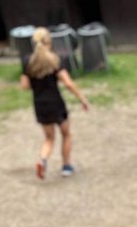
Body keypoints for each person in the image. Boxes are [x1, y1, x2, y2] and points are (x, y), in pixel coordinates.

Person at [20, 27, 89, 180]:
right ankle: (66, 166)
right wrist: (82, 99)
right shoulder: (56, 60)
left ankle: (42, 160)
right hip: (56, 103)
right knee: (66, 134)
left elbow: (24, 85)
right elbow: (68, 83)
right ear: (49, 42)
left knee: (49, 138)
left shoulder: (27, 61)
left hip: (40, 104)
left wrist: (36, 84)